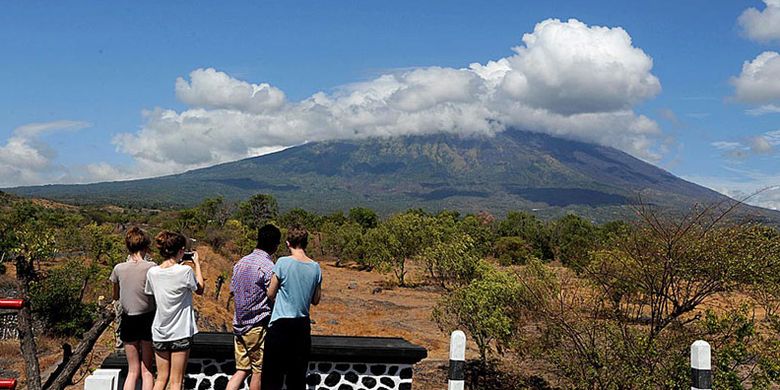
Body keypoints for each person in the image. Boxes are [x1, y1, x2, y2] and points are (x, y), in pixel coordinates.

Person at [261, 227, 322, 390]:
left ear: (288, 243)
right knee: (297, 378)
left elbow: (270, 293)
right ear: (306, 244)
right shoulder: (316, 267)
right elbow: (316, 299)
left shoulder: (282, 263)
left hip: (280, 325)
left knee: (272, 378)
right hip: (302, 326)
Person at [145, 231, 204, 390]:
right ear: (180, 250)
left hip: (159, 331)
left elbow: (152, 293)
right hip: (180, 331)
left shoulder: (152, 272)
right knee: (176, 381)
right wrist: (197, 264)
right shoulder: (184, 271)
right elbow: (200, 289)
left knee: (161, 379)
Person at [226, 224, 281, 390]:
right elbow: (273, 295)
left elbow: (232, 290)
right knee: (258, 371)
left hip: (239, 325)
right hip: (256, 326)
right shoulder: (268, 267)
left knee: (241, 370)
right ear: (275, 245)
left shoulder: (240, 263)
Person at [110, 227, 156, 390]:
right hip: (148, 319)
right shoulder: (152, 267)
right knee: (147, 370)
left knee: (132, 370)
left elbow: (116, 296)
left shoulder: (118, 268)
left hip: (128, 320)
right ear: (145, 246)